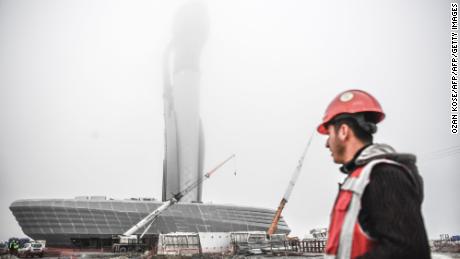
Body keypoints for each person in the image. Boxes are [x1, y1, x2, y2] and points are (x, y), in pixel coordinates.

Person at [317, 89, 431, 259]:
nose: (327, 144)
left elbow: (409, 251)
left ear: (343, 131)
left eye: (329, 133)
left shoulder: (384, 175)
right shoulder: (359, 178)